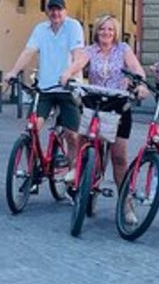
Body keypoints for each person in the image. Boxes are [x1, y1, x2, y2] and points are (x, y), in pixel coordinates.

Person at [59, 14, 149, 221]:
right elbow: (78, 63)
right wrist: (67, 74)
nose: (105, 33)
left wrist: (141, 84)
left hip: (118, 104)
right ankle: (79, 170)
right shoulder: (90, 50)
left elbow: (136, 69)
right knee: (83, 138)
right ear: (96, 31)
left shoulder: (123, 49)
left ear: (115, 32)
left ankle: (126, 206)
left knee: (119, 158)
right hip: (96, 101)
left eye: (110, 30)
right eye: (101, 29)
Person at [4, 0, 86, 167]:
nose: (55, 13)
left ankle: (72, 174)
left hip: (67, 88)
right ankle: (31, 171)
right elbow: (28, 52)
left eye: (59, 9)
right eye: (52, 9)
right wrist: (13, 71)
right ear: (48, 11)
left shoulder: (73, 26)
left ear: (65, 11)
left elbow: (78, 55)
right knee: (31, 128)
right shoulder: (41, 29)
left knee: (72, 135)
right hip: (45, 89)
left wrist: (69, 72)